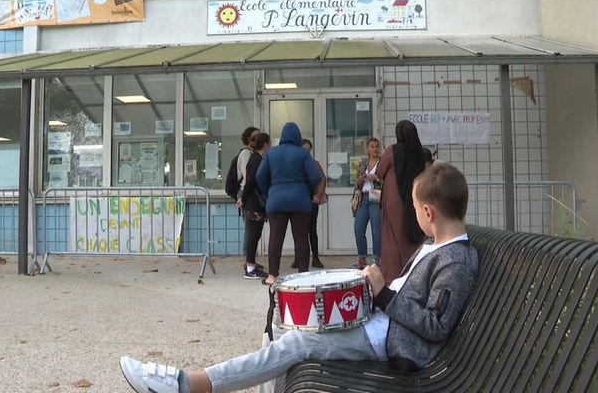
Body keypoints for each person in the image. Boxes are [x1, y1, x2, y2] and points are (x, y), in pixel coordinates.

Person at [119, 163, 479, 393]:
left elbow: (435, 326)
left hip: (388, 342)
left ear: (428, 212)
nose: (414, 214)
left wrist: (383, 293)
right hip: (379, 324)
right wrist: (375, 286)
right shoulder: (436, 245)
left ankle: (190, 384)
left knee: (297, 342)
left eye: (415, 209)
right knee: (283, 320)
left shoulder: (456, 260)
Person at [256, 122, 321, 286]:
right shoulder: (303, 154)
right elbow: (315, 176)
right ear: (297, 137)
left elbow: (259, 176)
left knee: (275, 238)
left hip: (276, 201)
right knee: (301, 239)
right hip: (300, 201)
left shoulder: (271, 153)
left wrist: (270, 190)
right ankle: (303, 276)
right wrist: (308, 191)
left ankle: (272, 276)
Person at [376, 120, 425, 284]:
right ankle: (413, 271)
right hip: (413, 199)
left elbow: (379, 171)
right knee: (408, 234)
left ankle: (391, 276)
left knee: (391, 237)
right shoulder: (418, 151)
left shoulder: (393, 150)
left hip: (394, 198)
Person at [239, 133, 271, 279]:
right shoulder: (257, 160)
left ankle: (251, 265)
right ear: (265, 144)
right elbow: (250, 181)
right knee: (253, 235)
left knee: (255, 235)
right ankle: (250, 268)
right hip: (253, 204)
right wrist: (243, 198)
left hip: (252, 203)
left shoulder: (257, 158)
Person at [291, 138, 325, 269]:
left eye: (309, 149)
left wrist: (318, 195)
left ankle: (315, 258)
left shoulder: (314, 163)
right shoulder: (295, 164)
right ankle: (298, 258)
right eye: (304, 149)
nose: (307, 152)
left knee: (311, 229)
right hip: (298, 200)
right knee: (298, 230)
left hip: (311, 200)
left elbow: (322, 180)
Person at [236, 126, 264, 273]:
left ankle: (250, 261)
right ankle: (248, 263)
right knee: (251, 231)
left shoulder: (254, 154)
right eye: (256, 136)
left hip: (248, 193)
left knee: (252, 231)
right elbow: (249, 178)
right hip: (248, 194)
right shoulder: (247, 154)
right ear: (249, 139)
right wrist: (244, 197)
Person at [351, 137, 382, 270]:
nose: (375, 149)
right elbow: (356, 183)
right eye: (372, 147)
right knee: (358, 229)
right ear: (367, 149)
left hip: (375, 197)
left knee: (376, 230)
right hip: (363, 198)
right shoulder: (363, 163)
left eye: (377, 146)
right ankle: (361, 258)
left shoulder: (382, 163)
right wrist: (360, 180)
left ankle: (376, 258)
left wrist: (375, 177)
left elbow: (386, 180)